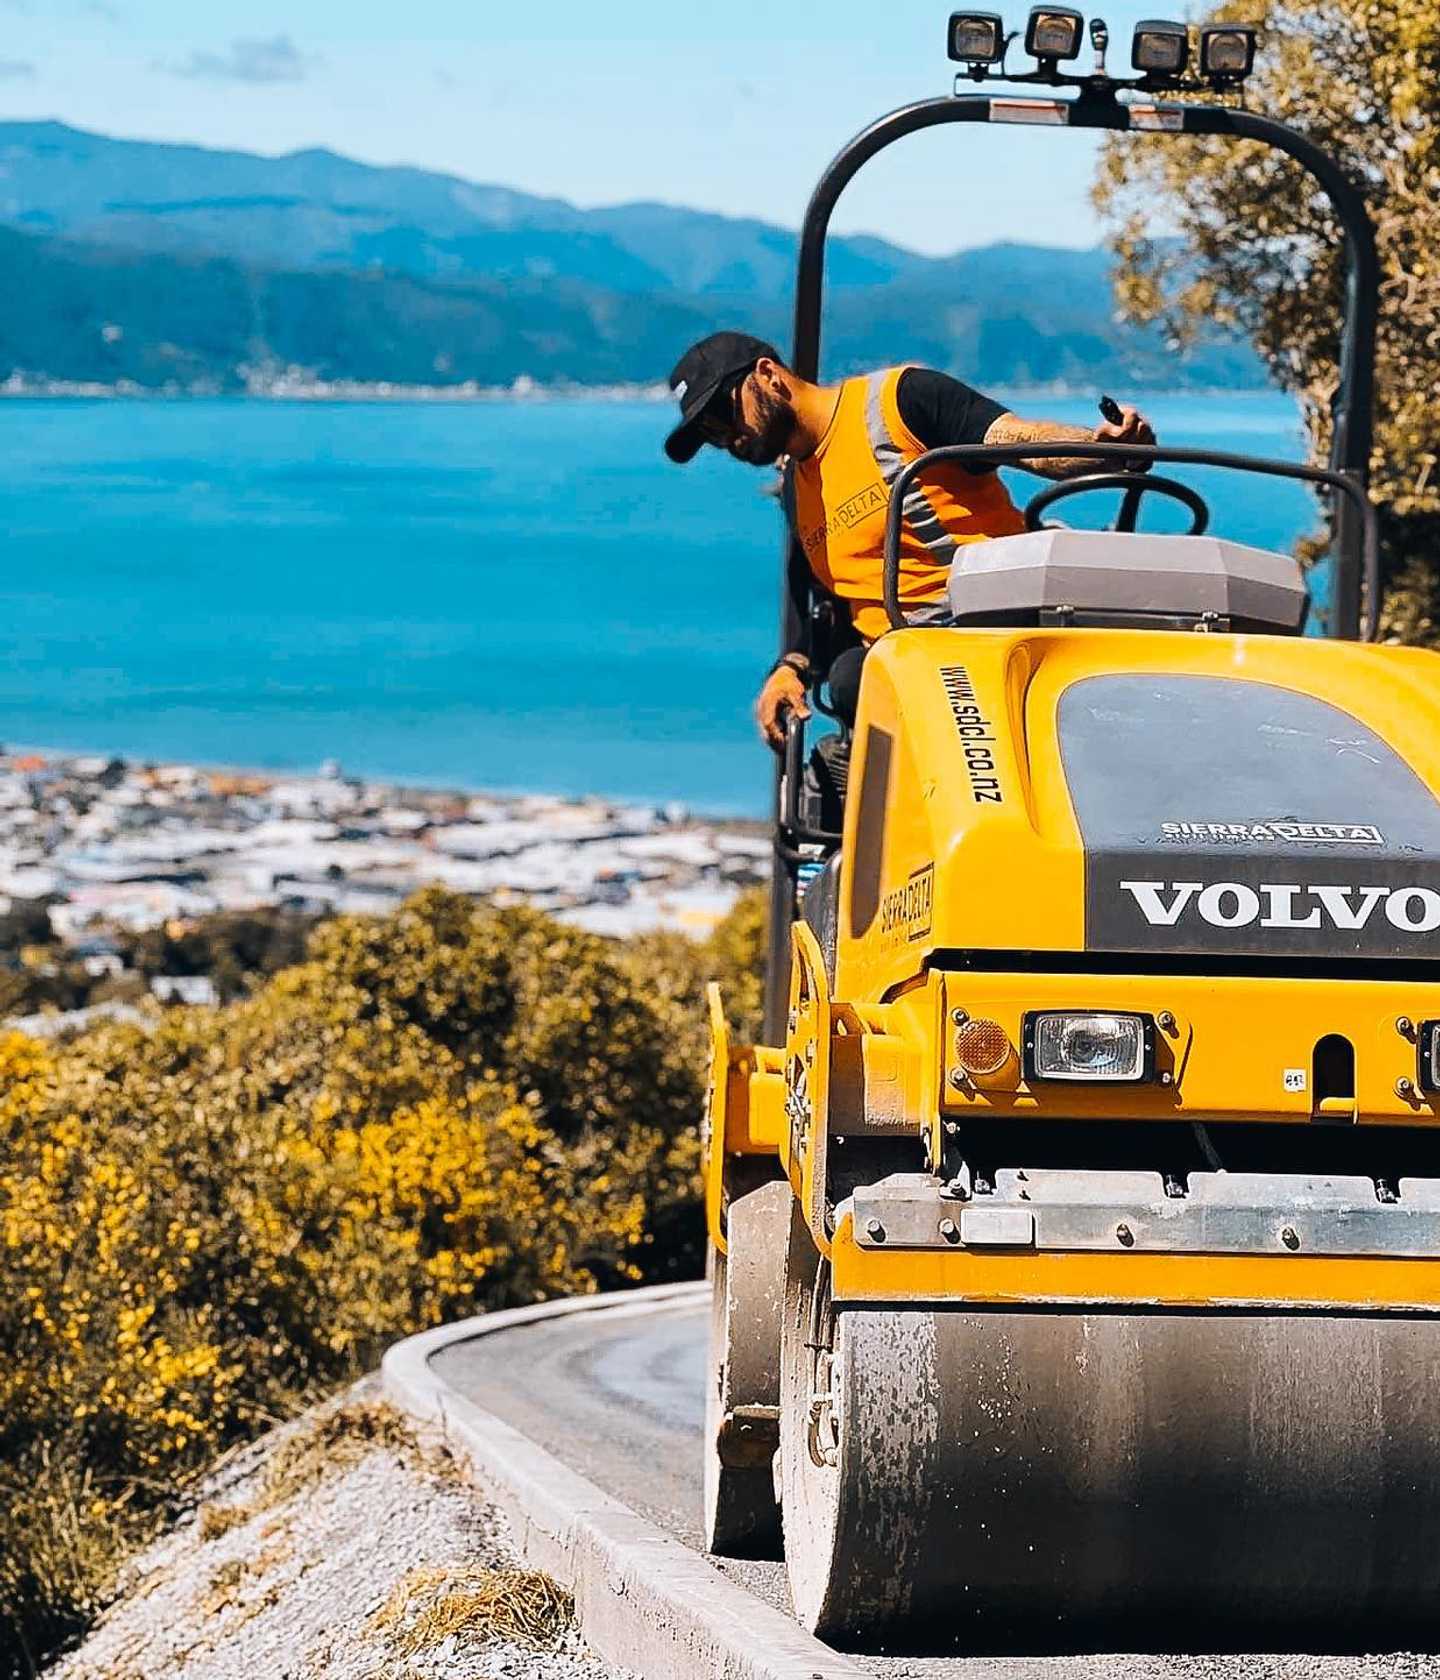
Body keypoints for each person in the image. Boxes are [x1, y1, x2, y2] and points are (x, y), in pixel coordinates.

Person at [663, 332, 1155, 749]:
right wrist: (789, 668)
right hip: (903, 671)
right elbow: (818, 598)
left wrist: (1100, 450)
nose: (726, 439)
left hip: (990, 633)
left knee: (857, 680)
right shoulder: (795, 485)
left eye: (724, 416)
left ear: (768, 374)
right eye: (710, 434)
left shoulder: (897, 402)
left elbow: (1015, 440)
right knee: (849, 682)